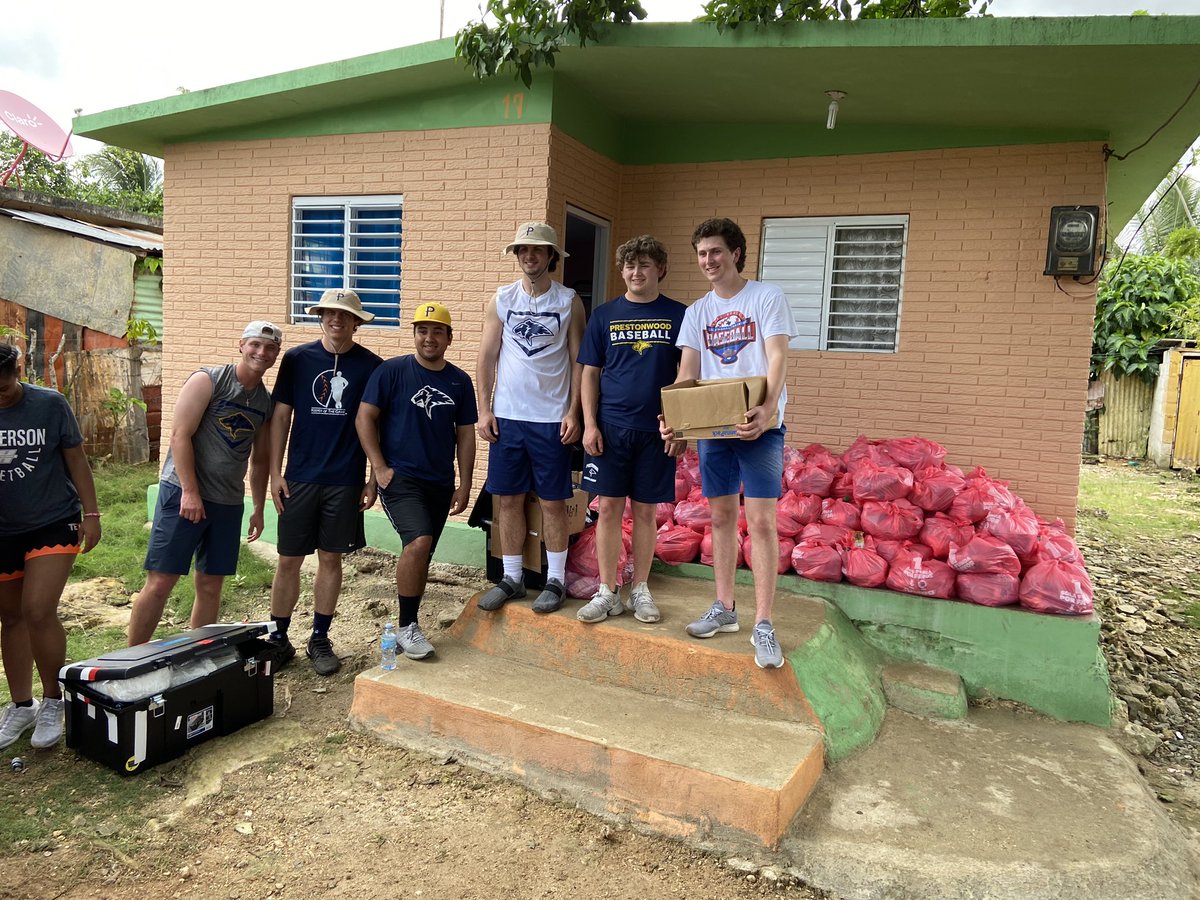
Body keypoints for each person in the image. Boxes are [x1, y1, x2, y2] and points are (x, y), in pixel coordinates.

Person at [660, 218, 798, 669]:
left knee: (760, 521)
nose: (708, 261)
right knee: (720, 517)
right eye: (701, 253)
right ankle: (725, 608)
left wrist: (768, 408)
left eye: (716, 252)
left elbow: (777, 355)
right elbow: (687, 374)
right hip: (715, 430)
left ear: (736, 253)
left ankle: (763, 623)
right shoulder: (697, 312)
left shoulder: (766, 297)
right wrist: (676, 419)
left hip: (760, 426)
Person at [127, 321, 281, 645]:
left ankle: (198, 656)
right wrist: (190, 492)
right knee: (161, 582)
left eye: (269, 348)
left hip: (227, 502)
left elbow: (260, 460)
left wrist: (257, 506)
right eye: (255, 344)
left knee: (211, 585)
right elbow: (179, 435)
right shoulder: (208, 380)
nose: (261, 352)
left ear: (276, 355)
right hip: (183, 494)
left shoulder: (265, 403)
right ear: (241, 345)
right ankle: (131, 660)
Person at [265, 289, 383, 675]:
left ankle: (320, 636)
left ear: (355, 322)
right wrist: (275, 472)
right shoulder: (297, 359)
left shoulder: (371, 366)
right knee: (288, 560)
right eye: (330, 314)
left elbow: (374, 425)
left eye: (345, 315)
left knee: (331, 558)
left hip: (345, 479)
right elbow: (281, 417)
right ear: (321, 318)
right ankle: (278, 637)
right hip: (299, 478)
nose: (337, 320)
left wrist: (371, 478)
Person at [576, 235, 686, 625]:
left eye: (644, 265)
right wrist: (589, 424)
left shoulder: (678, 315)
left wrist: (683, 427)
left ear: (661, 270)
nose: (636, 272)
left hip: (656, 431)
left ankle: (640, 588)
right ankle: (608, 591)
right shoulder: (604, 315)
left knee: (644, 512)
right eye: (629, 266)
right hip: (609, 429)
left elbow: (689, 376)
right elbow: (589, 373)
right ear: (621, 271)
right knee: (607, 508)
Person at [356, 302, 476, 660]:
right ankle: (407, 626)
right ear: (414, 335)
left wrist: (465, 483)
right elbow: (365, 419)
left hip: (439, 481)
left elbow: (466, 436)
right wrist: (378, 469)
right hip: (401, 478)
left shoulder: (459, 380)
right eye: (422, 330)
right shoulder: (391, 371)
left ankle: (410, 624)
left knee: (422, 554)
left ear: (449, 338)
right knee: (419, 542)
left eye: (437, 331)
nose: (429, 337)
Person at [475, 222, 585, 614]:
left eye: (537, 250)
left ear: (551, 256)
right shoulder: (501, 299)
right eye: (523, 250)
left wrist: (575, 411)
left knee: (554, 502)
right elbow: (486, 357)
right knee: (508, 501)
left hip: (551, 419)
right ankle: (512, 578)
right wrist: (484, 409)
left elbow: (579, 362)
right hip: (507, 418)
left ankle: (555, 579)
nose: (529, 256)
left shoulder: (569, 301)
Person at [0, 343, 101, 749]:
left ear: (18, 370)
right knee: (10, 617)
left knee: (38, 609)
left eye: (4, 389)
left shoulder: (50, 404)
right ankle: (21, 706)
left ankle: (54, 701)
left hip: (53, 520)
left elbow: (76, 460)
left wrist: (91, 515)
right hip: (3, 530)